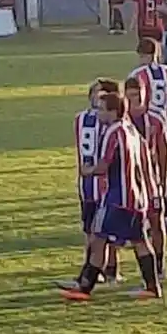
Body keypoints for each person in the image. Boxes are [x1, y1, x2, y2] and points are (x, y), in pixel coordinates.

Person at [62, 91, 162, 300]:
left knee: (98, 238)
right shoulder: (131, 130)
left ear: (113, 112)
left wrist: (87, 171)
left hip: (117, 198)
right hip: (137, 198)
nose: (97, 113)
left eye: (101, 109)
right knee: (140, 241)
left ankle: (84, 288)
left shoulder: (113, 132)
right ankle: (153, 286)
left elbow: (103, 165)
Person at [66, 79, 120, 289]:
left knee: (103, 231)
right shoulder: (108, 122)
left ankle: (104, 271)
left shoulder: (81, 119)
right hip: (94, 183)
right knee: (95, 231)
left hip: (97, 183)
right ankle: (100, 271)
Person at [129, 39, 167, 230]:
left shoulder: (137, 75)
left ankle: (146, 217)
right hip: (162, 126)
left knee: (143, 171)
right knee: (164, 173)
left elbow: (129, 104)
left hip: (142, 128)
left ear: (141, 54)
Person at [124, 77, 167, 281]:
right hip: (129, 181)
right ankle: (112, 269)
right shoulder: (122, 118)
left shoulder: (155, 118)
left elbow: (164, 149)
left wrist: (165, 178)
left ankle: (159, 263)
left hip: (151, 180)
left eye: (138, 94)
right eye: (131, 95)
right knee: (133, 227)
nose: (135, 99)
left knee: (156, 220)